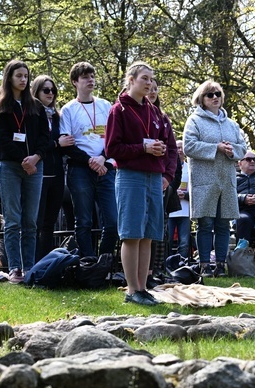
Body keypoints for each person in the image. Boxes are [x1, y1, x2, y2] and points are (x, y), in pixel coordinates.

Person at [105, 61, 174, 306]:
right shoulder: (119, 110)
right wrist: (143, 147)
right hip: (131, 176)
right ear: (131, 80)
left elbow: (166, 144)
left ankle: (143, 287)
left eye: (152, 79)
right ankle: (132, 289)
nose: (149, 83)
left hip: (154, 177)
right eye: (144, 78)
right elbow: (112, 148)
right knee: (132, 234)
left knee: (148, 234)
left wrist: (159, 151)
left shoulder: (154, 111)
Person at [0, 60, 49, 283]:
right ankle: (15, 267)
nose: (23, 80)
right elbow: (2, 140)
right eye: (19, 76)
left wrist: (35, 158)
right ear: (9, 78)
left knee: (30, 221)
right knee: (13, 220)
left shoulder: (36, 106)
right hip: (11, 167)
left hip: (35, 166)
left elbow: (45, 138)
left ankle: (30, 267)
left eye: (26, 76)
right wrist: (22, 159)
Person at [183, 80, 247, 277]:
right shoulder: (194, 121)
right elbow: (188, 146)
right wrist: (215, 148)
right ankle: (204, 265)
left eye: (218, 93)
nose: (215, 97)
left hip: (226, 180)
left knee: (223, 224)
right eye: (209, 94)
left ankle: (220, 265)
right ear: (201, 99)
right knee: (205, 224)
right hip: (204, 180)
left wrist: (230, 150)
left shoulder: (232, 124)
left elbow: (242, 148)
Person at [59, 62, 118, 258]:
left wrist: (102, 159)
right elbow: (67, 144)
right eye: (85, 77)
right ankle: (88, 262)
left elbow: (114, 138)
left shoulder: (105, 105)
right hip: (80, 170)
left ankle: (105, 261)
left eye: (92, 76)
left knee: (112, 222)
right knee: (83, 221)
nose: (90, 80)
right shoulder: (68, 110)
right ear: (75, 82)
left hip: (105, 168)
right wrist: (90, 161)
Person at [32, 75, 75, 260]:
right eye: (46, 90)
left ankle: (46, 263)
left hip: (57, 174)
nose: (50, 94)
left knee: (50, 223)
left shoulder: (58, 117)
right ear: (36, 91)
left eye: (53, 90)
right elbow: (36, 145)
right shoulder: (31, 115)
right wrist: (57, 143)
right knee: (36, 222)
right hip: (38, 173)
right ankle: (31, 263)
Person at [145, 81, 178, 281]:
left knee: (159, 228)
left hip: (162, 182)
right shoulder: (131, 114)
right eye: (148, 87)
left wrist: (167, 178)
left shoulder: (164, 119)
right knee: (141, 229)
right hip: (139, 179)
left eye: (155, 88)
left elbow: (173, 152)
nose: (152, 91)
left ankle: (157, 270)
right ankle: (142, 274)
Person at [168, 140, 191, 258]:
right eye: (177, 147)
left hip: (185, 210)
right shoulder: (169, 167)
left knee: (184, 241)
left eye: (182, 148)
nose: (180, 150)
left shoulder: (190, 168)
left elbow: (195, 189)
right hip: (170, 210)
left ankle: (182, 264)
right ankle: (166, 264)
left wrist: (185, 195)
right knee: (168, 239)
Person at [235, 151, 255, 244]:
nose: (252, 161)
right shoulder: (233, 178)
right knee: (243, 220)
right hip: (243, 210)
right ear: (240, 163)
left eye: (254, 159)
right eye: (248, 159)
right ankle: (241, 252)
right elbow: (228, 196)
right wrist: (243, 198)